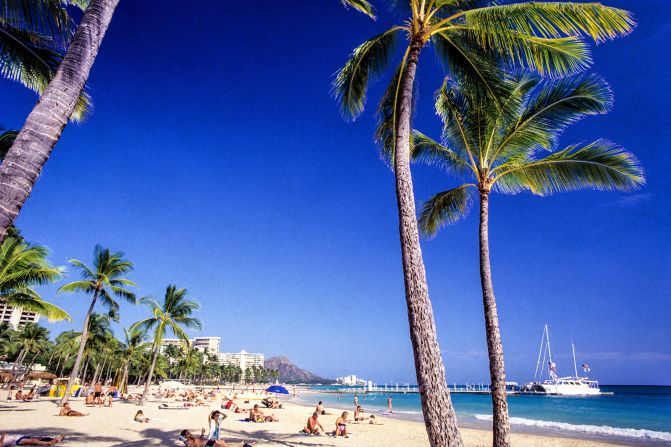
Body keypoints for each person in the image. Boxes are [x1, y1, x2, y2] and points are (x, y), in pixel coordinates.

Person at [178, 430, 252, 447]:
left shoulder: (192, 438)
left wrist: (202, 434)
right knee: (224, 445)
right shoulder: (188, 442)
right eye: (187, 433)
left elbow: (200, 438)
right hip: (207, 445)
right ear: (185, 436)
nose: (189, 433)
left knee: (224, 444)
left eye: (189, 432)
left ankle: (242, 445)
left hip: (209, 442)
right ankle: (242, 445)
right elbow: (196, 445)